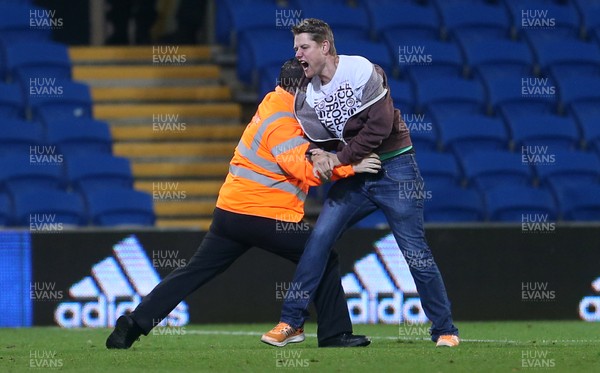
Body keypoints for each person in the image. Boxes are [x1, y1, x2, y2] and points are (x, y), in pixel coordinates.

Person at [105, 59, 379, 349]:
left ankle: (133, 323)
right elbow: (303, 170)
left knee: (194, 272)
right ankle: (334, 334)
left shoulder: (275, 104)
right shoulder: (282, 120)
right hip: (262, 215)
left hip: (231, 213)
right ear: (302, 86)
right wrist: (351, 166)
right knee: (323, 253)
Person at [262, 19, 460, 348]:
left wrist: (339, 160)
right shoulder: (306, 99)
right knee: (319, 239)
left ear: (324, 46)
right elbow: (316, 141)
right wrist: (318, 156)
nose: (297, 55)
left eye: (304, 47)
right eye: (295, 49)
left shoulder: (361, 71)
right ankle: (291, 322)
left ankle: (444, 329)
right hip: (357, 175)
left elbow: (380, 126)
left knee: (415, 252)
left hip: (395, 167)